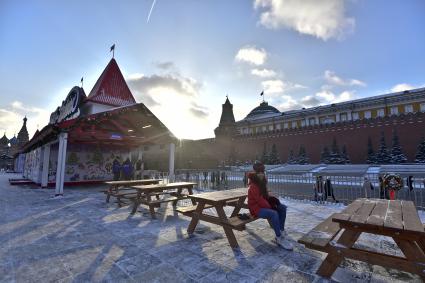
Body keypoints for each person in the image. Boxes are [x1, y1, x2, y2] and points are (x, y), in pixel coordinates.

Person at [248, 161, 293, 250]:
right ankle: (279, 238)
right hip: (255, 208)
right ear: (255, 172)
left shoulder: (262, 181)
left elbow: (265, 195)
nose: (261, 173)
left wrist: (274, 201)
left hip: (263, 205)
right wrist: (271, 207)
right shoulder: (253, 185)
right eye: (259, 172)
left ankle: (281, 230)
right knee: (274, 213)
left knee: (282, 207)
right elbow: (259, 200)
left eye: (262, 171)